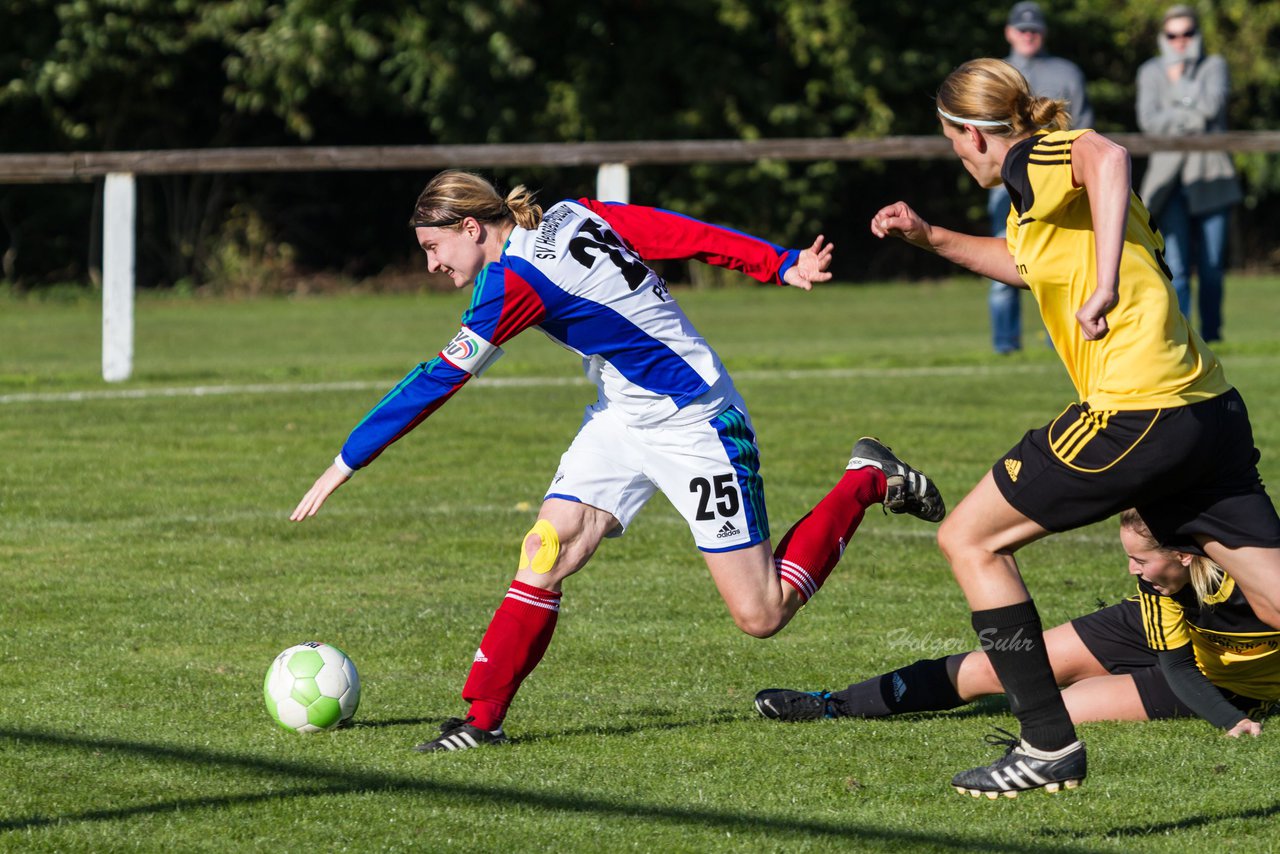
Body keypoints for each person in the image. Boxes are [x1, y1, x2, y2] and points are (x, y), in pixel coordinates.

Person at [291, 170, 945, 752]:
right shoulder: (573, 212)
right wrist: (775, 262)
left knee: (762, 613)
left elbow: (439, 377)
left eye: (433, 248)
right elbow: (676, 232)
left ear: (470, 227)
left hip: (696, 422)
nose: (431, 264)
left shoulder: (512, 280)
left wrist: (345, 460)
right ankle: (480, 721)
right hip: (622, 415)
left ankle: (866, 479)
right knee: (546, 547)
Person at [869, 58, 1280, 798]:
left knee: (968, 538)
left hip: (1137, 409)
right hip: (1205, 410)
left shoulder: (1040, 153)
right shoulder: (1037, 203)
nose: (956, 156)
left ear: (969, 133)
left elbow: (1110, 157)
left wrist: (1107, 284)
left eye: (951, 140)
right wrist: (930, 236)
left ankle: (1047, 746)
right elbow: (1028, 265)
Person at [756, 509, 1277, 748]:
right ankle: (834, 704)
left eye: (1140, 560)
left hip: (1218, 682)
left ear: (1184, 556)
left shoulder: (1261, 588)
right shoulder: (1158, 585)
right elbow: (1174, 657)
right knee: (1002, 665)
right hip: (1162, 646)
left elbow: (1183, 673)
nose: (1132, 570)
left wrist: (1230, 719)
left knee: (1063, 708)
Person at [988, 1, 1093, 354]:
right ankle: (1005, 346)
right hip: (1007, 186)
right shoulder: (995, 74)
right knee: (1007, 258)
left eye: (1034, 30)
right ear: (1009, 32)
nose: (1028, 36)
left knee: (1061, 265)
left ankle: (1061, 342)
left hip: (1059, 185)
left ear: (1043, 33)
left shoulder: (1067, 72)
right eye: (1022, 29)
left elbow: (1084, 128)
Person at [1136, 4, 1241, 343]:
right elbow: (1148, 122)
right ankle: (1182, 340)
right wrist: (1189, 110)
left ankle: (1213, 337)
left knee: (1211, 269)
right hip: (1167, 182)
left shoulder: (1214, 65)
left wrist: (1178, 90)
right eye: (1173, 35)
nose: (1180, 41)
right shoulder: (1150, 71)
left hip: (1212, 176)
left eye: (1187, 34)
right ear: (1163, 37)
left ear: (1197, 35)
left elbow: (1211, 109)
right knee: (1176, 269)